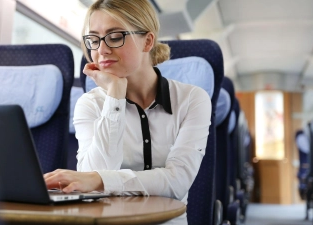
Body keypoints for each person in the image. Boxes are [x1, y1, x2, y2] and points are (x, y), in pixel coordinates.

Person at [44, 0, 211, 223]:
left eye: (115, 37)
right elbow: (92, 183)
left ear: (147, 41)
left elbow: (177, 182)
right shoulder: (89, 104)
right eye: (93, 39)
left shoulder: (192, 100)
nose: (101, 50)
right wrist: (115, 96)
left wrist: (101, 181)